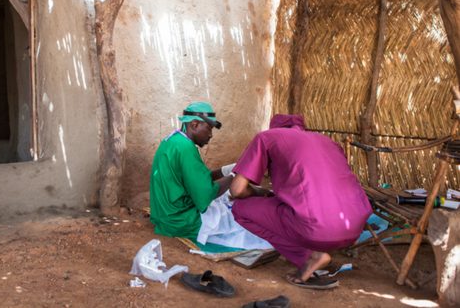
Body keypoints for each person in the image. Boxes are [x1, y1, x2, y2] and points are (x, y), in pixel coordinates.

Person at [229, 114, 372, 290]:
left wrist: (259, 192)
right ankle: (315, 251)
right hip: (354, 227)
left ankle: (308, 257)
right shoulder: (328, 141)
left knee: (240, 208)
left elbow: (237, 190)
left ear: (275, 128)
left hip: (318, 230)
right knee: (292, 206)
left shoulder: (267, 137)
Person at [149, 102, 271, 250]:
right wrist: (235, 176)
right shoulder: (186, 148)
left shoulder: (174, 140)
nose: (211, 135)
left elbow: (200, 178)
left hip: (163, 213)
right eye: (208, 128)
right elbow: (205, 195)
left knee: (227, 199)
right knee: (243, 225)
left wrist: (227, 170)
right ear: (194, 124)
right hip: (179, 220)